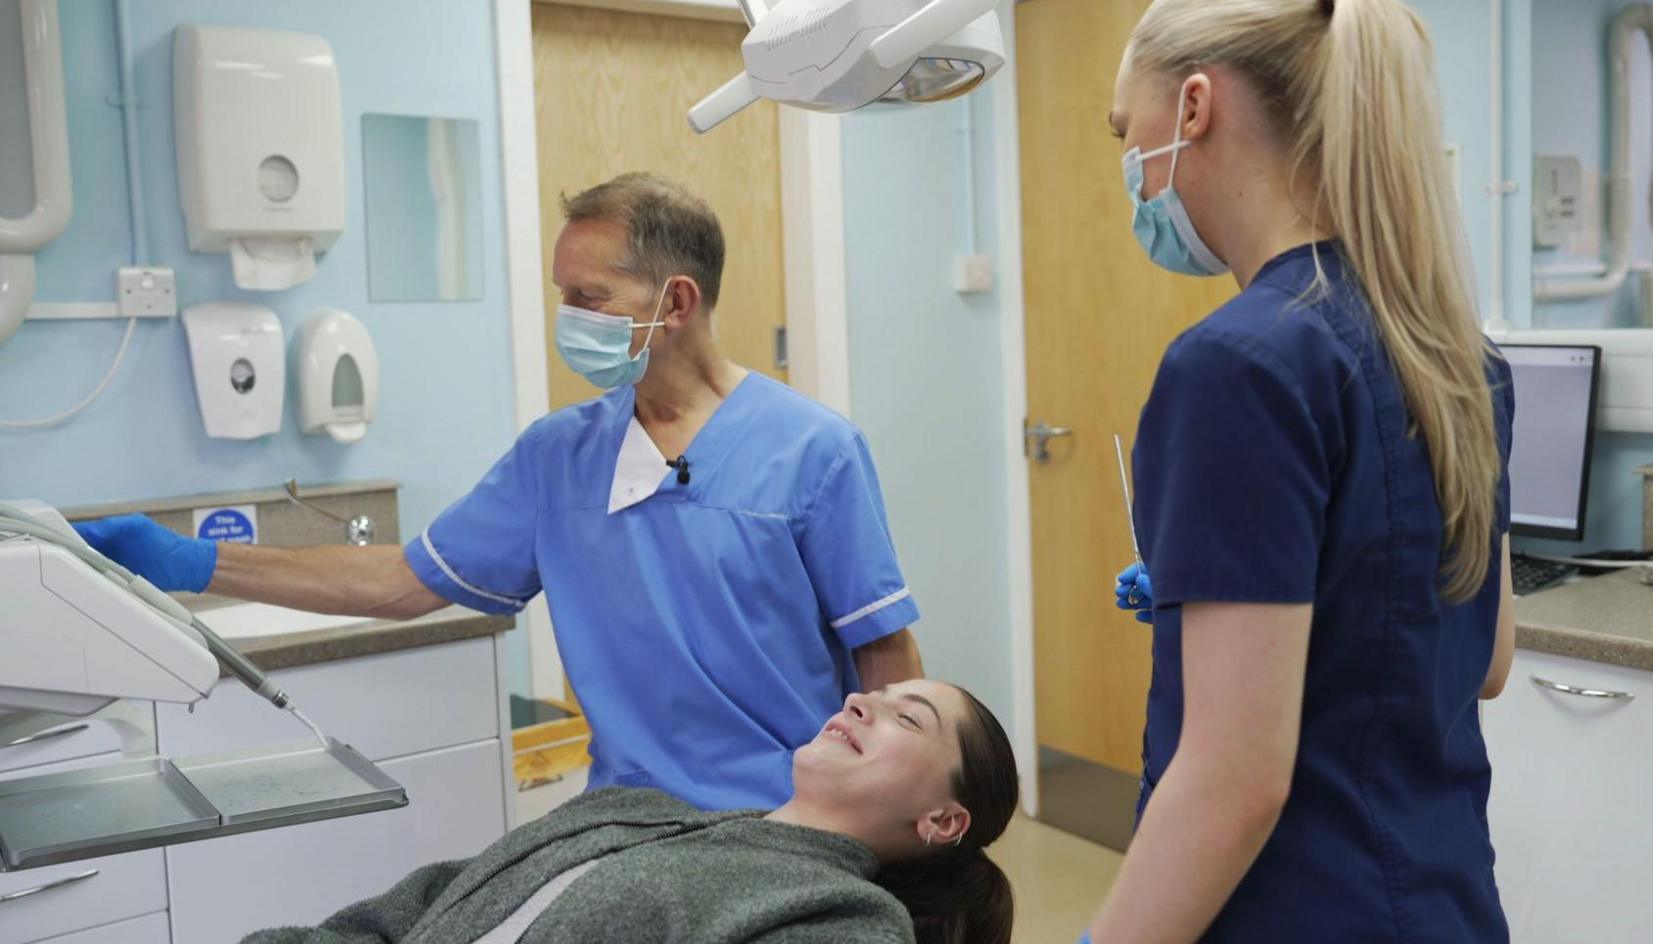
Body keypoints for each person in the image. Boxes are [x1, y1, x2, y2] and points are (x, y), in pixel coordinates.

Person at [74, 173, 925, 811]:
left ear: (676, 303)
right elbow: (400, 583)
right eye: (562, 294)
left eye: (588, 297)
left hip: (795, 817)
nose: (568, 317)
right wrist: (191, 561)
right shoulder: (559, 457)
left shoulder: (815, 451)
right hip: (627, 823)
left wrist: (906, 827)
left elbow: (886, 660)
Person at [1096, 0, 1518, 940]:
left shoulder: (1238, 364)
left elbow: (1233, 783)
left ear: (1195, 106)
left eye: (1128, 131)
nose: (1127, 162)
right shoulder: (1460, 357)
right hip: (1443, 903)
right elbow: (1485, 660)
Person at [240, 681, 1017, 944]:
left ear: (942, 821)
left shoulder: (843, 918)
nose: (860, 702)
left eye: (906, 719)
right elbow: (396, 918)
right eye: (870, 697)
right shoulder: (624, 810)